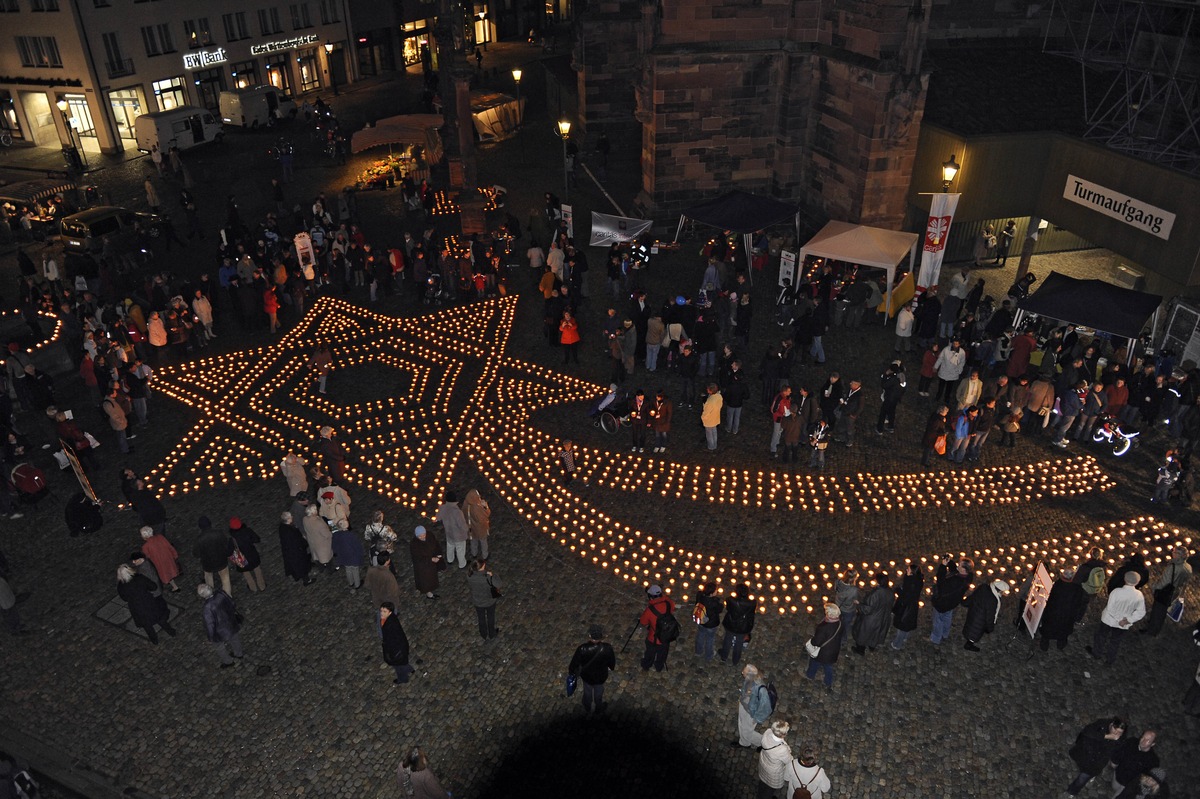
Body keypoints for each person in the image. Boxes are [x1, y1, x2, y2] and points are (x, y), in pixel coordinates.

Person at [1087, 571, 1146, 665]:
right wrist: (1127, 620)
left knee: (1101, 636)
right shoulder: (1139, 595)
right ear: (1137, 582)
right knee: (1115, 641)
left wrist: (1119, 619)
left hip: (1108, 620)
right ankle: (1109, 660)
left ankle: (1097, 653)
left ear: (1125, 579)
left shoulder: (1116, 592)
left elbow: (1110, 608)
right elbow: (1141, 612)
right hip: (1123, 625)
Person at [1065, 716, 1127, 796]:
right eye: (1115, 730)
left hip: (1096, 763)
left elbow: (1114, 753)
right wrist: (1107, 736)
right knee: (1079, 763)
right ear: (1111, 725)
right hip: (1085, 752)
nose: (1116, 734)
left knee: (1082, 779)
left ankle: (1071, 792)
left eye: (1120, 733)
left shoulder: (1121, 740)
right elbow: (1087, 731)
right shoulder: (1102, 724)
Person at [116, 563, 175, 644]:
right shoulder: (140, 578)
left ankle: (154, 640)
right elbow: (153, 586)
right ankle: (171, 632)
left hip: (136, 607)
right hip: (149, 602)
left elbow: (124, 598)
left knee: (147, 625)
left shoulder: (121, 586)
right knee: (160, 618)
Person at [1141, 545, 1191, 636]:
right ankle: (1154, 625)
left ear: (1179, 555)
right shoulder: (1188, 567)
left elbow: (1165, 581)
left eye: (1175, 552)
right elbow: (1185, 582)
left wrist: (1155, 587)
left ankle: (1152, 631)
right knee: (1163, 611)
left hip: (1165, 592)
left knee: (1158, 611)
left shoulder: (1173, 567)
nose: (1172, 553)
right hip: (1175, 592)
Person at [567, 624, 616, 714]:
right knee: (599, 690)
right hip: (601, 676)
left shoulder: (582, 649)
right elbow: (612, 663)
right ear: (601, 636)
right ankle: (598, 706)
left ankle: (587, 705)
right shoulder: (607, 648)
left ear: (590, 635)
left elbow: (574, 664)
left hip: (587, 676)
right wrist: (611, 667)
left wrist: (571, 672)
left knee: (587, 690)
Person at [1039, 566, 1086, 651]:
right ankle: (1060, 644)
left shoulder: (1057, 585)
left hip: (1053, 612)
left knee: (1048, 628)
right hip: (1067, 615)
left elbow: (1051, 598)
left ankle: (1045, 643)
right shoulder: (1077, 589)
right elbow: (1078, 604)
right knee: (1063, 630)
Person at [930, 555, 973, 645]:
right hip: (953, 603)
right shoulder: (968, 576)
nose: (958, 565)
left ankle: (936, 638)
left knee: (938, 620)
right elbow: (955, 569)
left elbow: (941, 583)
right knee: (947, 617)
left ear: (964, 569)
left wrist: (943, 566)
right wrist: (949, 562)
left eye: (960, 565)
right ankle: (945, 633)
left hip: (942, 603)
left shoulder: (956, 582)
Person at [198, 583, 243, 668]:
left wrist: (211, 637)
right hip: (230, 623)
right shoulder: (220, 594)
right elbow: (232, 603)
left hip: (220, 631)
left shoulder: (207, 608)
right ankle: (239, 653)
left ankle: (228, 661)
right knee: (235, 639)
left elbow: (210, 625)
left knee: (219, 647)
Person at [961, 579, 1010, 651]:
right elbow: (990, 616)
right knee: (974, 633)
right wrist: (990, 628)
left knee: (970, 626)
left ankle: (968, 638)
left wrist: (965, 602)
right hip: (980, 620)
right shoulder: (993, 600)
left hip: (973, 612)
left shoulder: (983, 587)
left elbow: (973, 596)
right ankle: (968, 645)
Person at [851, 573, 893, 655]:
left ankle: (860, 650)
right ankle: (872, 647)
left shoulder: (875, 594)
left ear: (878, 582)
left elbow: (867, 609)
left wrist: (858, 604)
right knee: (876, 634)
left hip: (871, 619)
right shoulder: (890, 592)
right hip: (883, 617)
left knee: (863, 634)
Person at [638, 584, 676, 672]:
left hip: (653, 637)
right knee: (662, 653)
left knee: (650, 652)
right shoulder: (668, 603)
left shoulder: (650, 610)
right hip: (666, 635)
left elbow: (643, 622)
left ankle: (646, 665)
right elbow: (672, 607)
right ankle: (659, 666)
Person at [804, 603, 843, 689]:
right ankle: (828, 681)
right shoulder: (840, 622)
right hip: (833, 650)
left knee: (814, 662)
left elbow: (817, 642)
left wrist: (811, 641)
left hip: (823, 652)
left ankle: (810, 675)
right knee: (828, 666)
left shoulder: (824, 628)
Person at [1110, 731, 1159, 798]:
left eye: (1148, 740)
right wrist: (1114, 761)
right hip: (1118, 775)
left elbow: (1147, 780)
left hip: (1127, 786)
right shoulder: (1131, 742)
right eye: (1143, 737)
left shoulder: (1153, 761)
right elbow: (1119, 751)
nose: (1143, 741)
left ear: (1153, 744)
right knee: (1114, 786)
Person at [733, 663, 771, 749]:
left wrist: (757, 719)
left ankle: (762, 743)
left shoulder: (761, 690)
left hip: (751, 713)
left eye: (745, 672)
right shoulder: (750, 679)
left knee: (747, 730)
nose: (742, 672)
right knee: (743, 726)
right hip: (745, 707)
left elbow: (766, 708)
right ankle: (745, 741)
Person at [194, 515, 233, 596]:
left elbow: (196, 554)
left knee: (209, 579)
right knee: (225, 579)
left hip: (208, 564)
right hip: (221, 561)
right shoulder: (219, 533)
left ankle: (210, 595)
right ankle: (228, 596)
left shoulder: (199, 539)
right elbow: (226, 545)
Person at [719, 583, 757, 665]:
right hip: (743, 627)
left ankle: (724, 656)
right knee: (739, 642)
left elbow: (728, 608)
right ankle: (735, 660)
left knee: (727, 639)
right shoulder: (752, 603)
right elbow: (751, 614)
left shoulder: (730, 600)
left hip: (731, 624)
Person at [890, 562, 923, 649]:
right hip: (911, 606)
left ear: (912, 573)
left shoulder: (910, 583)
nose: (906, 570)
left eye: (908, 569)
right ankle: (904, 637)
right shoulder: (918, 580)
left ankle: (897, 644)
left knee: (902, 626)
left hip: (906, 608)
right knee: (906, 624)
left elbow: (906, 596)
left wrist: (898, 591)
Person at [466, 559, 502, 640]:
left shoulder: (469, 575)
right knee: (490, 617)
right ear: (483, 566)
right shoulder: (487, 577)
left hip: (478, 601)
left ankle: (483, 634)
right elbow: (499, 584)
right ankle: (491, 633)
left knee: (481, 617)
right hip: (489, 601)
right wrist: (492, 575)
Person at [277, 511, 316, 586]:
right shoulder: (290, 531)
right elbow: (297, 541)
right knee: (301, 566)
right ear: (288, 519)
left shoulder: (282, 527)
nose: (292, 517)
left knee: (296, 565)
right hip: (297, 552)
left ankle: (297, 576)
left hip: (291, 551)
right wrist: (304, 542)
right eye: (291, 516)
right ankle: (306, 580)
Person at [380, 602, 414, 684]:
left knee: (398, 666)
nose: (382, 613)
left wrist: (390, 652)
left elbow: (394, 641)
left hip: (397, 649)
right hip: (400, 647)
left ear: (390, 612)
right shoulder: (389, 619)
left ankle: (403, 679)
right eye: (381, 610)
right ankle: (409, 669)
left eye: (384, 611)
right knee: (402, 662)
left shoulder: (390, 624)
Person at [756, 720, 792, 799]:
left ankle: (760, 793)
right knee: (770, 788)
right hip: (773, 770)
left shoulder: (767, 732)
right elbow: (788, 760)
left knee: (763, 780)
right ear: (784, 734)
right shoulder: (782, 749)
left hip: (764, 761)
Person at [139, 526, 180, 593]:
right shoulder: (161, 537)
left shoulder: (145, 547)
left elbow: (148, 558)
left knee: (163, 576)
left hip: (159, 565)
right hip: (168, 560)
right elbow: (169, 547)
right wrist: (175, 555)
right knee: (169, 573)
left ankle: (167, 588)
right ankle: (175, 586)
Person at [436, 491, 468, 569]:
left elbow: (438, 518)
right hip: (459, 535)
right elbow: (462, 525)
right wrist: (467, 529)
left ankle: (450, 560)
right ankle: (462, 564)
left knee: (450, 546)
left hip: (449, 533)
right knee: (460, 549)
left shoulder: (442, 508)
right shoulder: (457, 512)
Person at [410, 525, 443, 600]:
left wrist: (438, 554)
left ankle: (432, 588)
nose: (423, 537)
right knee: (425, 581)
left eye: (424, 535)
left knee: (432, 577)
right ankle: (429, 594)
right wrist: (430, 559)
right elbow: (417, 558)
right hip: (422, 567)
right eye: (420, 536)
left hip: (431, 565)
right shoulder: (414, 544)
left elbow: (436, 544)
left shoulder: (430, 536)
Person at [693, 582, 723, 660]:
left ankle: (698, 651)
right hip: (711, 624)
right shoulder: (714, 602)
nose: (717, 591)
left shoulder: (700, 595)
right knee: (710, 639)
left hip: (701, 621)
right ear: (711, 593)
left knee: (700, 635)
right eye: (715, 590)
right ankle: (709, 655)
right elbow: (719, 610)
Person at [331, 519, 364, 590]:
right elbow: (357, 546)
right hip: (353, 556)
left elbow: (334, 546)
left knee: (348, 570)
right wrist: (360, 555)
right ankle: (357, 584)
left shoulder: (336, 535)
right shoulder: (350, 535)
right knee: (355, 570)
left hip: (343, 557)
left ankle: (351, 582)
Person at [302, 503, 334, 573]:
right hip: (322, 544)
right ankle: (330, 570)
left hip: (313, 542)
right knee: (327, 558)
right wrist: (332, 531)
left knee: (317, 557)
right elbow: (327, 534)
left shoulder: (305, 519)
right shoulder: (319, 523)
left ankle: (321, 569)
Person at [461, 489, 491, 560]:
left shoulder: (466, 504)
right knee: (483, 542)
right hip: (480, 529)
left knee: (473, 541)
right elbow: (485, 515)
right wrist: (485, 507)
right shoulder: (476, 508)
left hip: (471, 528)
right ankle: (485, 555)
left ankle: (474, 554)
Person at [701, 383, 723, 451]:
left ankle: (711, 446)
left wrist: (703, 418)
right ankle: (715, 444)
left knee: (709, 434)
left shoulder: (710, 401)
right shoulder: (719, 396)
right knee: (714, 431)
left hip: (709, 420)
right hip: (715, 417)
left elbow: (706, 412)